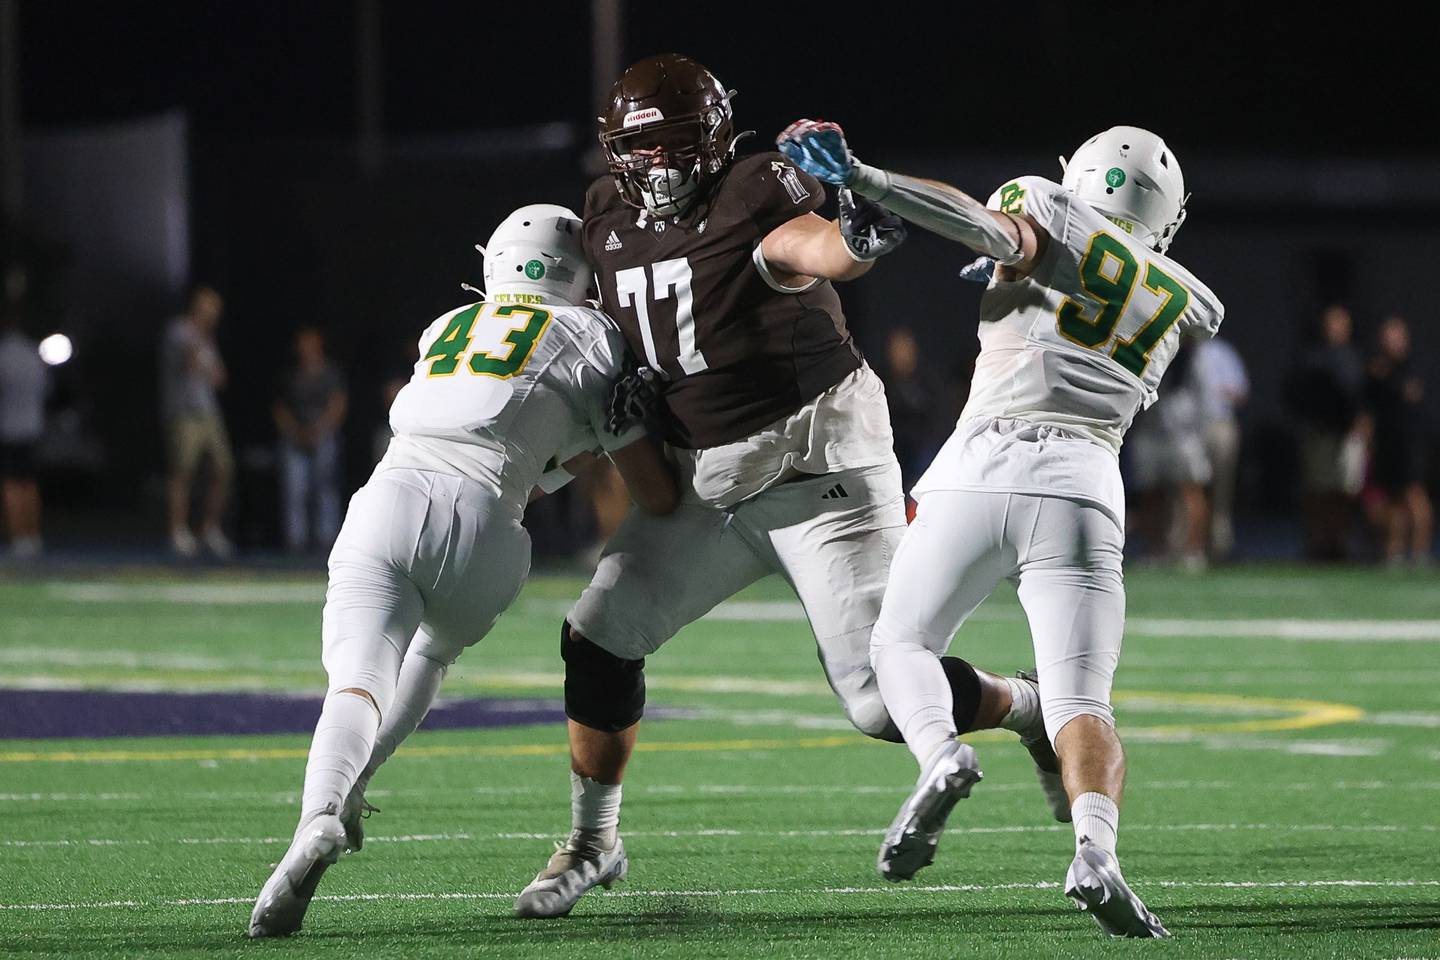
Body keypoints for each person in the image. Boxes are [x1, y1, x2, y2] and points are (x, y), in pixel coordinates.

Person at [512, 54, 972, 920]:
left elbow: (810, 248)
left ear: (716, 140)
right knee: (599, 638)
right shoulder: (604, 216)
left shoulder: (755, 187)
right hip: (707, 477)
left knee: (877, 701)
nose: (655, 171)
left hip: (816, 466)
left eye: (673, 149)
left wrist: (858, 234)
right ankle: (591, 841)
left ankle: (1028, 710)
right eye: (637, 153)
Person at [779, 121, 1224, 937]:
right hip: (1087, 485)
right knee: (1083, 701)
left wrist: (867, 178)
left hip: (986, 462)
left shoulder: (1043, 203)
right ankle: (1097, 853)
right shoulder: (1186, 297)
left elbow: (988, 226)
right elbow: (1087, 278)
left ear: (1079, 176)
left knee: (899, 648)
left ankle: (942, 755)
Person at [248, 204, 678, 938]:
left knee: (356, 679)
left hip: (393, 497)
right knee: (431, 653)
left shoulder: (445, 328)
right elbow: (609, 475)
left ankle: (321, 813)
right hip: (491, 530)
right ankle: (352, 789)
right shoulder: (595, 334)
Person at [160, 286, 234, 559]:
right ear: (197, 307)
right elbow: (189, 364)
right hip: (184, 413)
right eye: (209, 308)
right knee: (183, 472)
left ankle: (208, 528)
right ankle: (177, 530)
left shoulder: (208, 340)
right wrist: (202, 356)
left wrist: (206, 360)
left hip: (208, 413)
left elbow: (220, 378)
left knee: (223, 469)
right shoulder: (179, 331)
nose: (213, 314)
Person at [1286, 305, 1365, 560]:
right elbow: (1293, 394)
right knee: (1317, 490)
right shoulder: (1311, 358)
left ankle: (1339, 543)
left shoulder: (1354, 359)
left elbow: (1362, 398)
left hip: (1346, 435)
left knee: (1344, 492)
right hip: (1319, 433)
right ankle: (1317, 543)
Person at [273, 327, 348, 553]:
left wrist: (321, 429)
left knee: (326, 489)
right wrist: (295, 431)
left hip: (323, 435)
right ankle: (296, 541)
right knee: (295, 489)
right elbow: (279, 407)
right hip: (294, 437)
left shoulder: (330, 373)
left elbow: (338, 404)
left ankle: (326, 540)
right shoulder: (290, 374)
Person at [1364, 316, 1431, 566]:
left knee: (1414, 494)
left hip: (1410, 442)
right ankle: (1394, 549)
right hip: (1386, 442)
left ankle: (1421, 551)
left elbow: (1411, 396)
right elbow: (1368, 407)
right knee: (1391, 497)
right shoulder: (1375, 369)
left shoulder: (1412, 367)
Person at [1192, 335, 1249, 559]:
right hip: (1188, 430)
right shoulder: (1175, 349)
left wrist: (1221, 393)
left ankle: (1219, 545)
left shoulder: (1222, 352)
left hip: (1219, 425)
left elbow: (1241, 390)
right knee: (1190, 487)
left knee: (1221, 489)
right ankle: (1189, 546)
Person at [0, 304, 48, 558]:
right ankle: (32, 535)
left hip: (9, 428)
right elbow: (46, 390)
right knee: (29, 484)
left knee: (11, 484)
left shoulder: (4, 354)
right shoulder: (33, 354)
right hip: (31, 427)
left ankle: (18, 537)